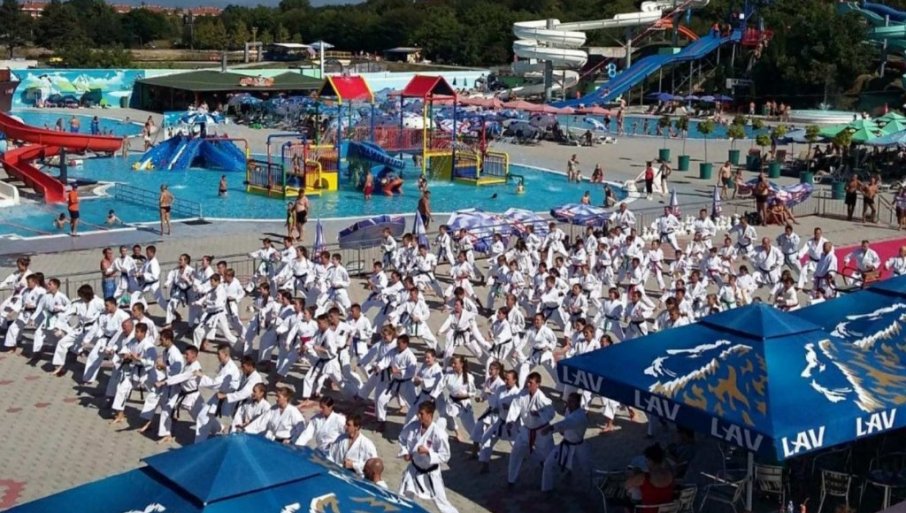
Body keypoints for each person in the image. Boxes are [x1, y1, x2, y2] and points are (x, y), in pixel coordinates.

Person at [397, 400, 459, 513]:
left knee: (442, 503)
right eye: (418, 413)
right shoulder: (413, 426)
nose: (418, 416)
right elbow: (402, 438)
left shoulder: (439, 434)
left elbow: (445, 456)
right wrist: (405, 452)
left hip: (431, 473)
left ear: (430, 415)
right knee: (403, 495)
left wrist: (428, 452)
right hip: (414, 469)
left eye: (422, 414)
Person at [625, 444, 676, 510]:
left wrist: (635, 474)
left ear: (650, 461)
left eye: (646, 460)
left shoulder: (644, 477)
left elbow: (626, 485)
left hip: (650, 510)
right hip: (667, 510)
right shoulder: (670, 474)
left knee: (626, 500)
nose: (646, 462)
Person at [328, 413, 378, 478]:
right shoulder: (340, 438)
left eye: (348, 425)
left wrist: (354, 465)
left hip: (355, 478)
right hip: (336, 474)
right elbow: (331, 454)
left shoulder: (367, 444)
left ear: (357, 427)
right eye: (346, 424)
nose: (345, 427)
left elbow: (374, 465)